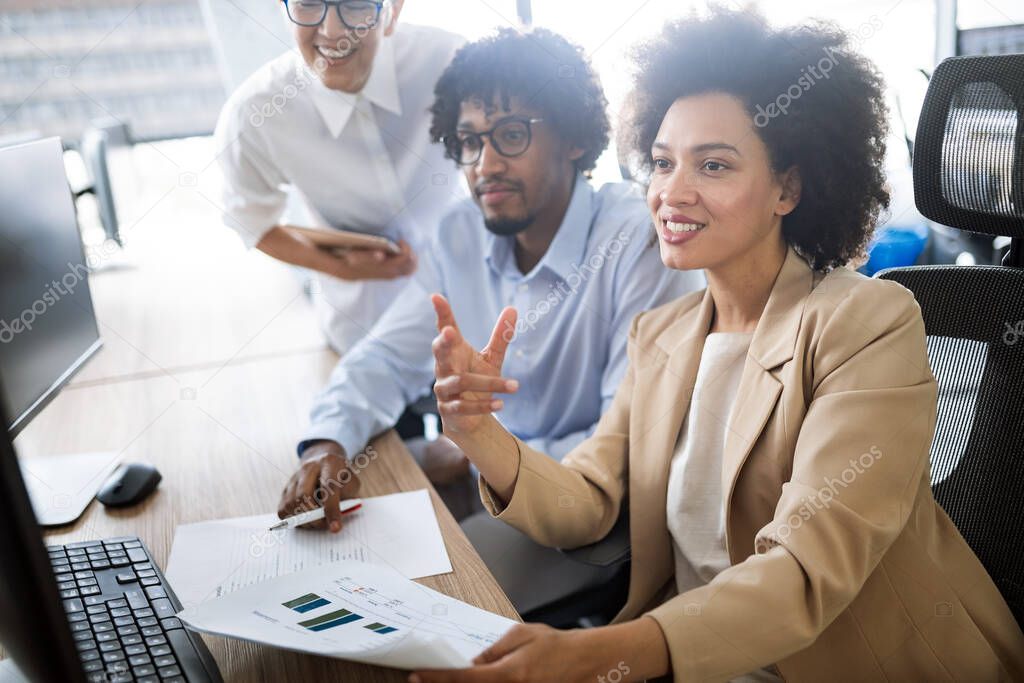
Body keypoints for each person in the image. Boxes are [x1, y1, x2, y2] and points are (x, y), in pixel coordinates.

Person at [411, 10, 1024, 683]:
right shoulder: (664, 335)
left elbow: (802, 571)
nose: (673, 192)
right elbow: (588, 498)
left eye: (713, 164)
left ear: (787, 187)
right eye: (664, 162)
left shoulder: (868, 322)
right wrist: (478, 432)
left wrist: (592, 653)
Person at [275, 28, 704, 614]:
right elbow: (383, 359)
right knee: (326, 569)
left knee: (409, 602)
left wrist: (482, 450)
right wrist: (326, 444)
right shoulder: (458, 233)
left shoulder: (636, 243)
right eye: (470, 142)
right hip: (485, 486)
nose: (486, 165)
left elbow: (624, 448)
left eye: (511, 135)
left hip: (589, 518)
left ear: (574, 138)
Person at [214, 0, 464, 352]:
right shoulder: (254, 114)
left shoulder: (450, 60)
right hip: (362, 333)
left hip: (472, 320)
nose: (332, 31)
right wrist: (339, 267)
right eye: (308, 4)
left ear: (392, 10)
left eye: (357, 4)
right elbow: (253, 223)